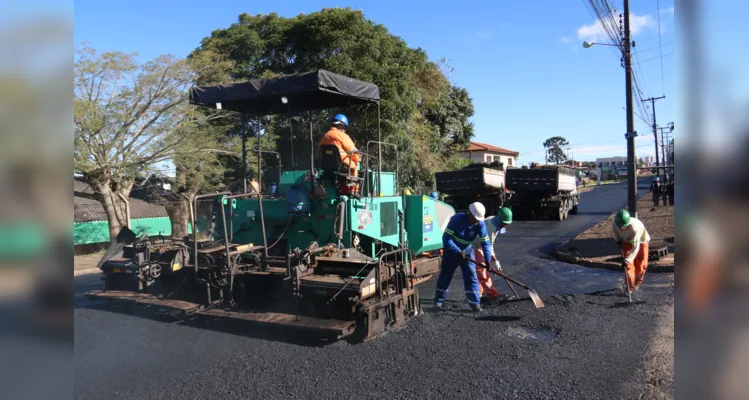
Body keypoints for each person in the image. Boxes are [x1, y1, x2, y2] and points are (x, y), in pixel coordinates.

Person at [434, 202, 497, 312]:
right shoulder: (456, 219)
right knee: (445, 275)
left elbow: (485, 243)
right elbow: (446, 238)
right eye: (475, 218)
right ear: (469, 214)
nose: (477, 221)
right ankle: (438, 301)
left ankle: (474, 303)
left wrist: (487, 260)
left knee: (471, 276)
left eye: (478, 219)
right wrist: (457, 251)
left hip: (467, 250)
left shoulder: (480, 224)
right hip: (451, 251)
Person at [470, 207, 513, 301]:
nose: (505, 225)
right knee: (482, 270)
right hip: (473, 245)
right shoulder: (491, 229)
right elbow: (488, 247)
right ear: (500, 219)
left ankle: (478, 295)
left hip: (480, 244)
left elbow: (489, 245)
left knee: (481, 270)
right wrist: (493, 261)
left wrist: (494, 260)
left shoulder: (494, 219)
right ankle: (492, 294)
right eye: (504, 223)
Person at [612, 209, 651, 294]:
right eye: (620, 226)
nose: (622, 228)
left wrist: (627, 260)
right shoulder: (614, 223)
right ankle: (630, 287)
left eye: (624, 226)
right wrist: (617, 240)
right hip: (625, 241)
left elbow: (635, 247)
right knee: (628, 266)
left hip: (640, 240)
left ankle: (637, 283)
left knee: (641, 265)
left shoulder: (634, 228)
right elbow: (615, 233)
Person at [319, 114, 360, 192]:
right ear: (342, 127)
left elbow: (320, 151)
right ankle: (353, 190)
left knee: (342, 172)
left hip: (326, 166)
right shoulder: (342, 136)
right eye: (344, 128)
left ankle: (342, 190)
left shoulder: (324, 136)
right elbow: (353, 151)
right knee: (354, 167)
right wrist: (356, 160)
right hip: (341, 163)